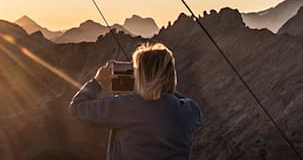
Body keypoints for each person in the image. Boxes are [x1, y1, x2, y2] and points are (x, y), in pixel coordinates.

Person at [68, 42, 203, 159]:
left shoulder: (128, 106)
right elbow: (182, 103)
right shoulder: (189, 110)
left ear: (143, 75)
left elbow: (77, 108)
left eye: (137, 71)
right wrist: (161, 87)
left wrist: (97, 82)